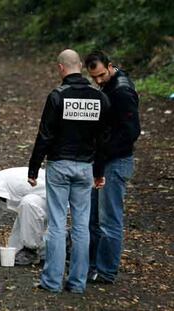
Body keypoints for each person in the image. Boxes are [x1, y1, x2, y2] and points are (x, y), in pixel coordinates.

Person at [28, 49, 110, 293]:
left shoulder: (57, 96)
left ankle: (52, 282)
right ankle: (77, 283)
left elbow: (45, 136)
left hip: (59, 166)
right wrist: (99, 171)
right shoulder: (99, 99)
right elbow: (103, 139)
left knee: (56, 225)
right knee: (82, 226)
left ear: (61, 68)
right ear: (81, 68)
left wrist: (33, 168)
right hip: (85, 168)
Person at [85, 51, 140, 284]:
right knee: (94, 218)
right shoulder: (111, 85)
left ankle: (106, 271)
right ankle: (94, 265)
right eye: (93, 77)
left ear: (109, 66)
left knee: (109, 220)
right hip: (103, 160)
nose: (98, 81)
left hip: (115, 163)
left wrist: (104, 152)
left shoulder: (122, 90)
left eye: (100, 75)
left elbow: (131, 132)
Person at [0, 167, 47, 266]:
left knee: (28, 202)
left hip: (50, 201)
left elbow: (53, 191)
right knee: (15, 253)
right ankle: (58, 245)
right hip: (30, 212)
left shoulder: (17, 182)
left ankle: (31, 250)